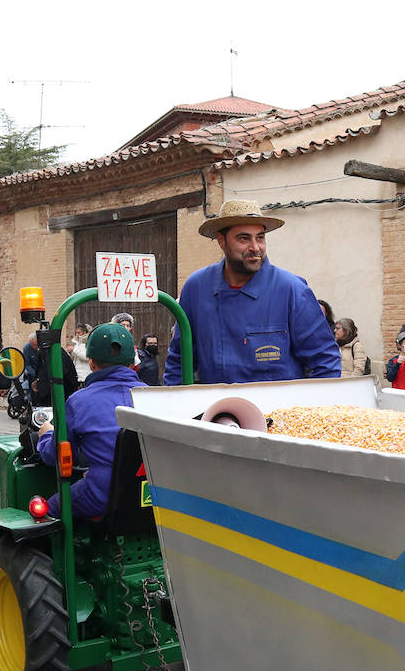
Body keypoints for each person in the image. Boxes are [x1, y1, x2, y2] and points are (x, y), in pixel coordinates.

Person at [163, 199, 339, 384]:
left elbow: (326, 363)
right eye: (244, 238)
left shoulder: (292, 290)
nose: (255, 247)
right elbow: (179, 363)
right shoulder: (196, 289)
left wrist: (305, 410)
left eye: (260, 237)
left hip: (278, 412)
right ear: (222, 241)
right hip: (217, 411)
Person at [35, 323, 145, 519]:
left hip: (104, 494)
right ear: (131, 363)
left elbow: (54, 456)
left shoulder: (79, 402)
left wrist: (46, 434)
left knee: (47, 513)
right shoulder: (153, 395)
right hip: (150, 494)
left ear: (91, 363)